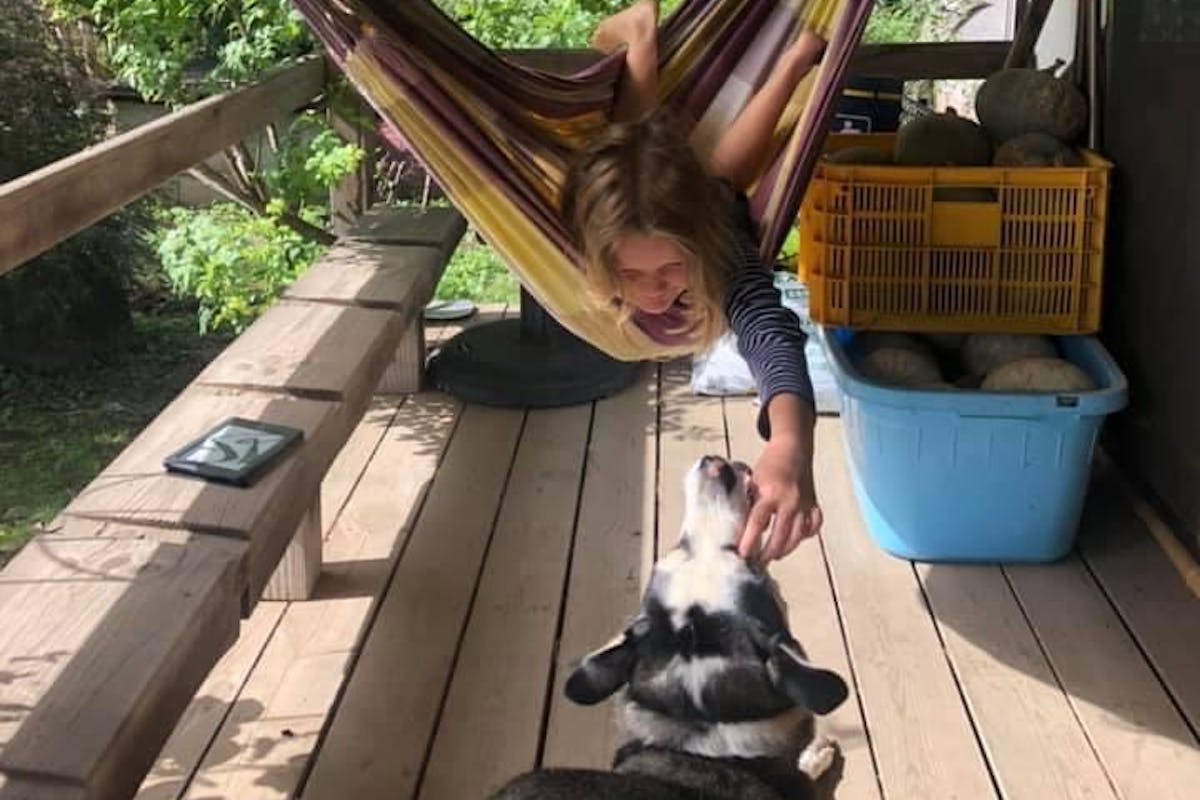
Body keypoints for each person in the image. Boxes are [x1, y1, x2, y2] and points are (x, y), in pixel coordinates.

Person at [561, 1, 828, 564]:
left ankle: (788, 64)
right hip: (630, 180)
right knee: (632, 147)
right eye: (629, 276)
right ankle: (643, 41)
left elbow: (768, 331)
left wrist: (789, 442)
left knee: (721, 182)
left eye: (670, 271)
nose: (654, 291)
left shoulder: (715, 247)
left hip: (710, 207)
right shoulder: (579, 234)